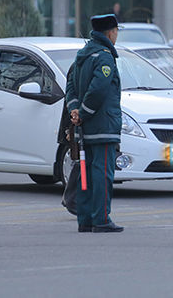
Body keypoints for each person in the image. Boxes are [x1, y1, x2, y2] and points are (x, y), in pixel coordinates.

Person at [66, 14, 124, 233]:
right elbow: (98, 89)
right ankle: (101, 219)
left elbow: (70, 85)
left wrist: (75, 110)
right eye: (117, 30)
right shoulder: (104, 57)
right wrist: (84, 113)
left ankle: (85, 219)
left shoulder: (82, 56)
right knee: (102, 173)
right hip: (103, 126)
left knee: (86, 172)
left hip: (86, 127)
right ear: (110, 32)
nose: (117, 35)